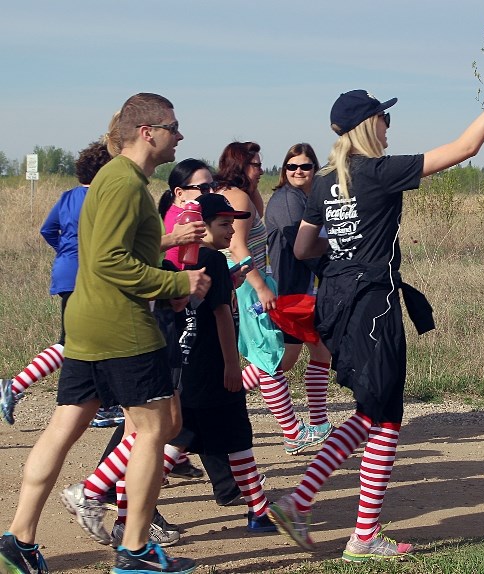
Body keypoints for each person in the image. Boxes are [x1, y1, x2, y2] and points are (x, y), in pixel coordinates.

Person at [266, 39, 484, 561]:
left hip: (336, 304)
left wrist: (341, 244)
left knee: (374, 413)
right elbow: (465, 148)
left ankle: (316, 509)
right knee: (381, 417)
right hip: (372, 305)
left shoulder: (321, 183)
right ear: (368, 126)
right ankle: (344, 527)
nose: (389, 126)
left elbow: (302, 246)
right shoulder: (377, 172)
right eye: (384, 118)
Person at [0, 93, 210, 574]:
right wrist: (178, 281)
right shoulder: (125, 183)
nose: (180, 135)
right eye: (174, 126)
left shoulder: (114, 180)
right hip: (123, 332)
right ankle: (135, 551)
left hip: (89, 327)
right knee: (157, 431)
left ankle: (19, 540)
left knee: (64, 428)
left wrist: (168, 248)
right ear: (147, 131)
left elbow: (112, 246)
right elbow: (109, 261)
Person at [172, 191, 277, 533]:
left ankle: (258, 510)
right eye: (223, 224)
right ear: (200, 226)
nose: (231, 231)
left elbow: (196, 305)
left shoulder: (189, 259)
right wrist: (232, 365)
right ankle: (125, 508)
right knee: (233, 438)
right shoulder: (213, 259)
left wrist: (230, 282)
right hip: (215, 367)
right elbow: (220, 315)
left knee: (188, 437)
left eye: (233, 224)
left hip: (190, 367)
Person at [0, 141, 114, 427]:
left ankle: (102, 402)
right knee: (79, 341)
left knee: (84, 340)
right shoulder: (103, 198)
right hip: (89, 276)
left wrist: (66, 250)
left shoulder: (67, 197)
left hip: (66, 273)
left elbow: (47, 229)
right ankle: (14, 386)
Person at [216, 142, 321, 454]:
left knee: (265, 359)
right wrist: (261, 287)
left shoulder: (241, 195)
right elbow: (237, 248)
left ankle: (202, 415)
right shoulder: (236, 198)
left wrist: (252, 187)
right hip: (249, 284)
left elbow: (255, 216)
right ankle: (293, 431)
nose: (261, 169)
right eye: (254, 165)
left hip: (247, 282)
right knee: (268, 356)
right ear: (239, 167)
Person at [243, 142, 333, 454]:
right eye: (291, 166)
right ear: (284, 171)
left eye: (305, 166)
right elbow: (301, 245)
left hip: (302, 290)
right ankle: (215, 398)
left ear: (314, 169)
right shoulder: (287, 200)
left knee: (315, 354)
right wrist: (338, 255)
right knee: (280, 361)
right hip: (288, 292)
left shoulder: (309, 199)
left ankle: (319, 424)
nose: (298, 171)